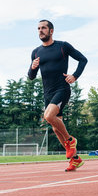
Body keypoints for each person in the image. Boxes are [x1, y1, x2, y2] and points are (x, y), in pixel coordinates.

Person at [28, 20, 88, 171]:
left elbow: (83, 59)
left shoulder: (62, 46)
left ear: (51, 31)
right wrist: (32, 67)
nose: (40, 31)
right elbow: (31, 76)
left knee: (48, 116)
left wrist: (74, 76)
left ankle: (70, 140)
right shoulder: (36, 52)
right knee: (55, 128)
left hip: (62, 89)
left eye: (43, 28)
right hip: (47, 93)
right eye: (38, 28)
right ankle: (75, 159)